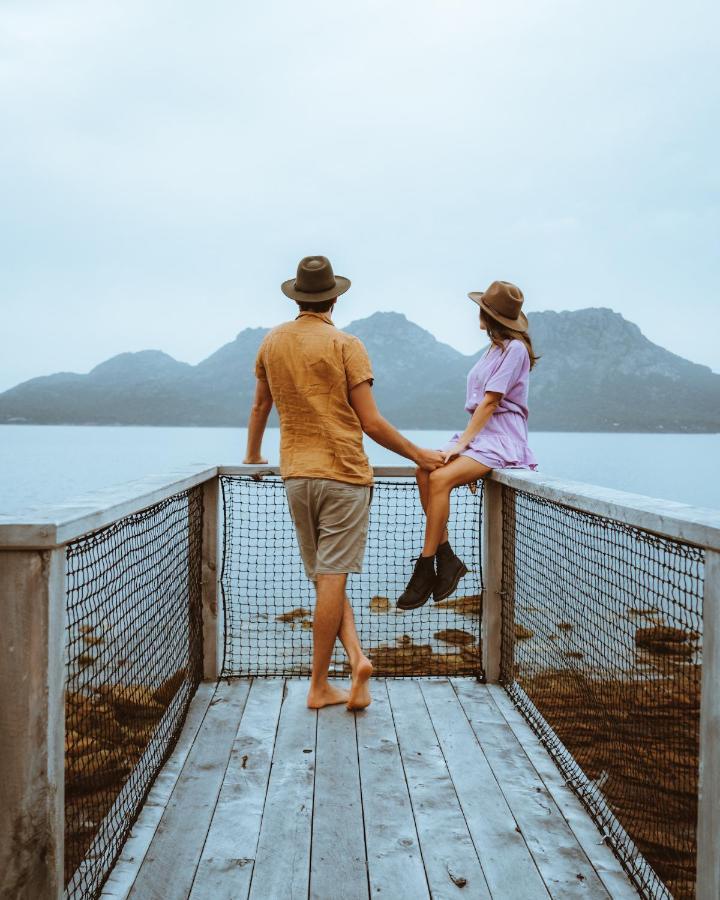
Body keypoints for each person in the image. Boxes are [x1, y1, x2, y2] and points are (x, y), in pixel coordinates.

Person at [244, 255, 445, 709]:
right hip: (344, 475)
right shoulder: (347, 344)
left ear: (297, 297)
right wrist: (420, 455)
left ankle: (356, 660)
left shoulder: (271, 343)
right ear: (335, 298)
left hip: (297, 475)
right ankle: (319, 684)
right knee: (331, 577)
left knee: (323, 577)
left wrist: (254, 456)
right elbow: (370, 422)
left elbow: (260, 408)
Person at [398, 280, 539, 610]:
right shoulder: (494, 348)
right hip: (480, 437)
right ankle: (446, 558)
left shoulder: (515, 349)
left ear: (488, 314)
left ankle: (425, 566)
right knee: (424, 469)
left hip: (502, 438)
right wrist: (466, 448)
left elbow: (490, 403)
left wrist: (463, 446)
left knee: (441, 478)